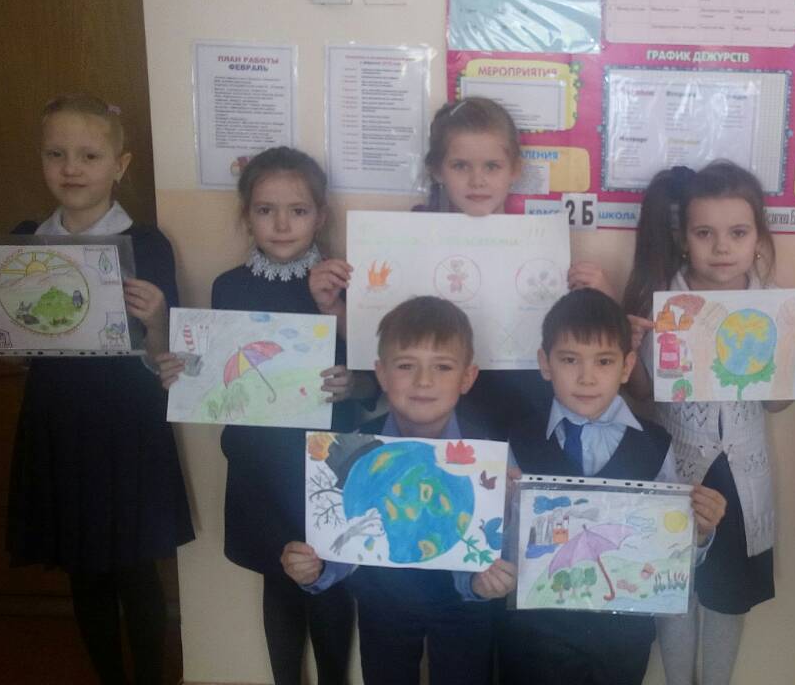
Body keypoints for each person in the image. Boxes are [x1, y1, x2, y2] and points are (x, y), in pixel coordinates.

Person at [0, 93, 193, 685]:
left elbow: (167, 356)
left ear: (120, 165)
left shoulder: (146, 244)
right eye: (56, 154)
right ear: (41, 159)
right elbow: (18, 348)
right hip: (56, 420)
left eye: (89, 155)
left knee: (134, 569)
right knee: (84, 568)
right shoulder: (23, 242)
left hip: (126, 426)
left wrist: (159, 317)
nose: (72, 168)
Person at [157, 147, 369, 685]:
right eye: (265, 209)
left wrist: (353, 382)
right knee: (279, 579)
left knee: (330, 581)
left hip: (325, 465)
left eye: (298, 210)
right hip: (258, 463)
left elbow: (377, 371)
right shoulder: (229, 286)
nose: (281, 224)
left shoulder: (342, 284)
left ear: (320, 216)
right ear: (247, 214)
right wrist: (184, 371)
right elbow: (219, 375)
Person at [619, 162, 795, 685]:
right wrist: (630, 350)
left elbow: (774, 405)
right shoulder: (663, 302)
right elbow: (644, 396)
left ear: (758, 238)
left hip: (741, 477)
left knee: (727, 599)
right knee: (672, 590)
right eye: (705, 233)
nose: (722, 247)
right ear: (684, 238)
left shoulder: (775, 305)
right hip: (677, 471)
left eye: (738, 233)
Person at [308, 96, 611, 439]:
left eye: (492, 166)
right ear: (438, 170)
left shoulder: (541, 248)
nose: (477, 180)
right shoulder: (404, 238)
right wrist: (333, 308)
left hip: (523, 414)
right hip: (431, 419)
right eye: (461, 166)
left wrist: (601, 299)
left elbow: (575, 346)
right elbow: (380, 338)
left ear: (515, 170)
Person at [495, 288, 728, 685]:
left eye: (603, 361)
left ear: (626, 366)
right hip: (534, 639)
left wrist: (701, 531)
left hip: (622, 643)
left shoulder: (655, 445)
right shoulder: (517, 441)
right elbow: (502, 548)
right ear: (545, 364)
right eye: (569, 360)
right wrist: (500, 511)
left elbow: (669, 549)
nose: (587, 377)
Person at [281, 296, 516, 685]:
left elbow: (501, 537)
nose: (424, 381)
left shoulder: (492, 455)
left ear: (467, 377)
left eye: (442, 367)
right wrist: (314, 569)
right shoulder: (352, 450)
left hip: (465, 605)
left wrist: (488, 581)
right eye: (406, 365)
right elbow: (342, 531)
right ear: (382, 374)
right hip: (382, 604)